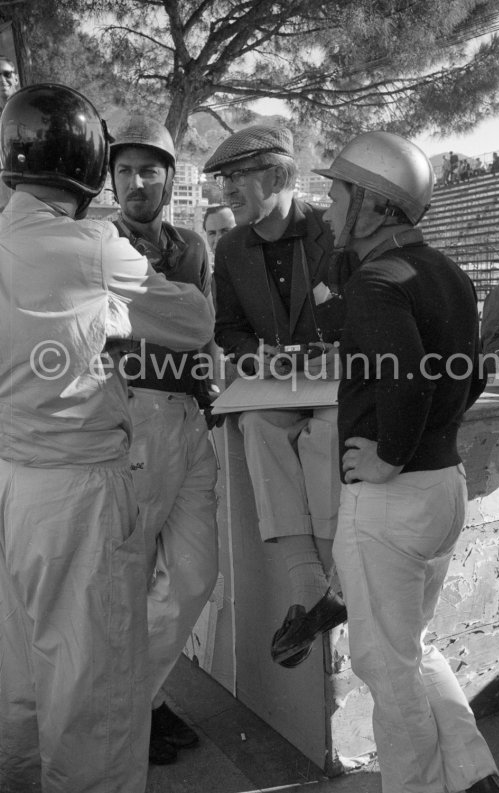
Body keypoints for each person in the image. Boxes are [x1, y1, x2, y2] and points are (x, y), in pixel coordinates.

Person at [0, 84, 213, 793]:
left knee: (21, 672)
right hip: (79, 488)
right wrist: (114, 312)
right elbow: (192, 324)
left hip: (11, 478)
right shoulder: (94, 245)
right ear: (92, 166)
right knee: (97, 690)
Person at [310, 130, 499, 793]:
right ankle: (475, 774)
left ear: (372, 203)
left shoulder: (375, 279)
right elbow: (470, 373)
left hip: (393, 502)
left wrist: (391, 454)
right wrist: (429, 440)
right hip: (443, 487)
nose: (328, 204)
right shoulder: (447, 271)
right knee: (410, 649)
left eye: (337, 192)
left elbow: (411, 379)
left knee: (385, 664)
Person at [203, 125, 352, 667]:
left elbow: (369, 310)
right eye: (224, 180)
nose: (227, 191)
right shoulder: (232, 248)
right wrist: (256, 357)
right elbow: (229, 329)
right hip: (276, 382)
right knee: (260, 424)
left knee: (326, 433)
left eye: (237, 177)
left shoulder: (334, 230)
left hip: (342, 379)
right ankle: (315, 589)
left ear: (279, 175)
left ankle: (329, 587)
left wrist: (341, 349)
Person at [109, 115, 220, 765]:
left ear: (170, 177)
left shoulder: (195, 247)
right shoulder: (99, 246)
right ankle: (136, 713)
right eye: (124, 169)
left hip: (190, 416)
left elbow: (201, 334)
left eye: (149, 168)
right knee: (125, 578)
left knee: (195, 573)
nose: (136, 180)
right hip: (133, 418)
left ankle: (136, 700)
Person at [0, 55, 19, 212]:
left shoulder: (30, 113)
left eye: (7, 74)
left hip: (27, 203)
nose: (2, 80)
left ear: (16, 78)